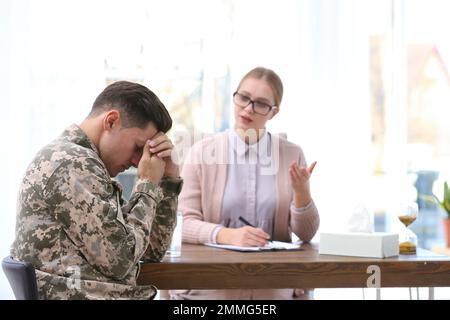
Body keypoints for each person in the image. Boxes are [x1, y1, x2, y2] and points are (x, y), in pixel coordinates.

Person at [11, 81, 183, 300]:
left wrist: (168, 179)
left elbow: (149, 251)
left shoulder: (85, 163)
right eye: (138, 147)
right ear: (111, 121)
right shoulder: (72, 162)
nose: (138, 161)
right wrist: (147, 182)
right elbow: (120, 260)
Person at [170, 67, 319, 300]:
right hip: (211, 285)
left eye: (260, 103)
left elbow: (306, 234)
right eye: (243, 98)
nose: (248, 108)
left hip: (273, 284)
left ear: (274, 112)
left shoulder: (292, 154)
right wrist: (226, 235)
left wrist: (302, 194)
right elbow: (182, 224)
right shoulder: (202, 153)